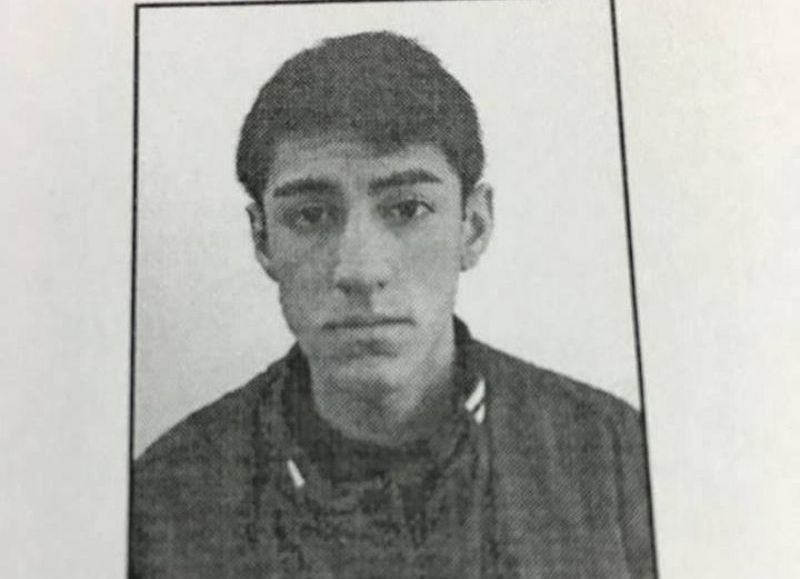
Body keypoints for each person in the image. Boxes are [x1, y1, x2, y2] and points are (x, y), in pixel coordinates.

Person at [131, 31, 656, 578]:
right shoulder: (166, 503)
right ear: (263, 240)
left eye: (407, 209)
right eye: (309, 216)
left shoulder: (614, 460)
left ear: (473, 226)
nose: (360, 270)